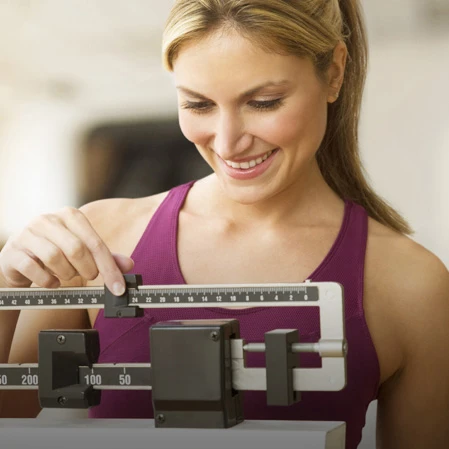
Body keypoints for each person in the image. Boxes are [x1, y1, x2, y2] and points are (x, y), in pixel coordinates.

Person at [0, 0, 448, 447]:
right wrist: (6, 282)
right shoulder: (100, 237)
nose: (229, 142)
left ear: (333, 71)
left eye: (263, 102)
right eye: (198, 105)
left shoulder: (410, 285)